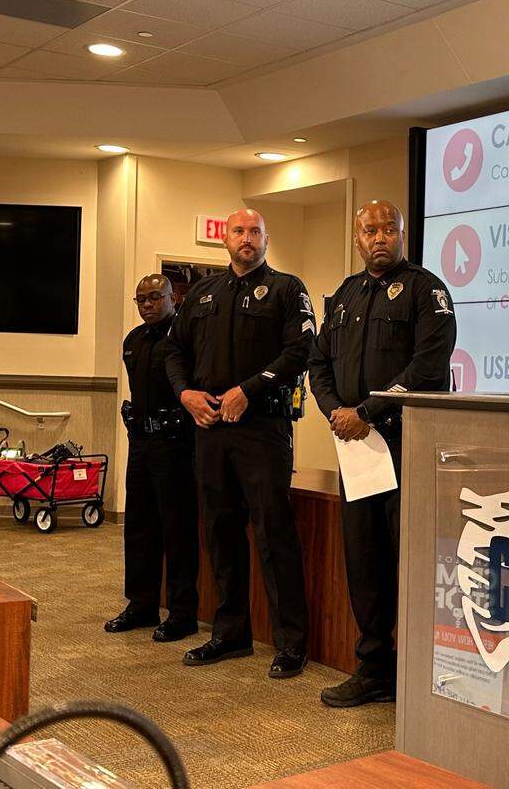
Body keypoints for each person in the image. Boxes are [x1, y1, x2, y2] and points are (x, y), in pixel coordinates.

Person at [310, 200, 456, 707]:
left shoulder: (426, 289)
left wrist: (367, 411)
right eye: (369, 230)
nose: (379, 237)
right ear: (357, 238)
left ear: (401, 233)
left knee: (409, 561)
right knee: (364, 560)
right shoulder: (346, 295)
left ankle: (420, 673)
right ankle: (373, 669)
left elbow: (430, 367)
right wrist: (336, 412)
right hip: (356, 448)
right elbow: (319, 365)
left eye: (387, 229)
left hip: (404, 443)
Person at [165, 208, 315, 679]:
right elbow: (173, 351)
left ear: (266, 238)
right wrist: (185, 393)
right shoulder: (204, 293)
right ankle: (230, 634)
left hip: (262, 428)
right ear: (224, 240)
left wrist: (248, 389)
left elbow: (301, 350)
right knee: (220, 531)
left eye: (254, 232)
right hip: (209, 428)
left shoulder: (288, 289)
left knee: (274, 535)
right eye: (238, 232)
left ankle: (292, 643)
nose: (246, 239)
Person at [105, 275, 199, 641]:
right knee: (139, 526)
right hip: (141, 442)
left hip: (176, 444)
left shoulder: (185, 339)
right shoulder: (134, 340)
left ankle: (182, 613)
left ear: (172, 297)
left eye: (155, 298)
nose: (147, 305)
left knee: (177, 529)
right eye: (141, 299)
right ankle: (141, 604)